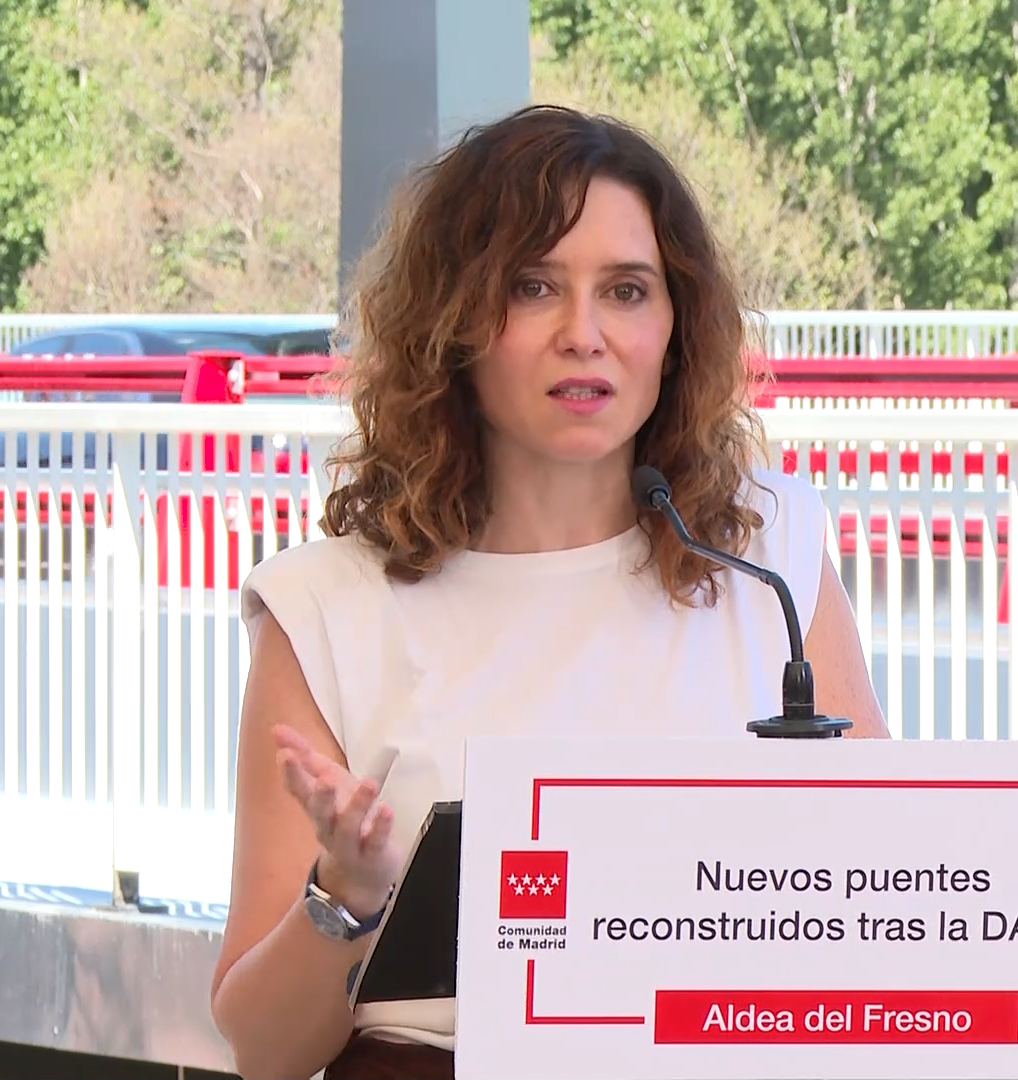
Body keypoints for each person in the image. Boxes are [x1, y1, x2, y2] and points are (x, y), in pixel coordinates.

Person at [207, 105, 890, 1080]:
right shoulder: (325, 608)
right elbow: (264, 1052)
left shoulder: (768, 553)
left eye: (626, 291)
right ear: (452, 323)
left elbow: (881, 908)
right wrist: (344, 896)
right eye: (532, 288)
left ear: (677, 327)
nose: (585, 335)